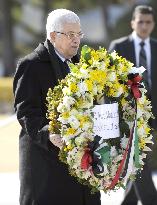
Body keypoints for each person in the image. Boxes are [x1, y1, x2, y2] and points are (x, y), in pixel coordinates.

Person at [13, 9, 101, 205]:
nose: (76, 40)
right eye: (70, 34)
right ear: (53, 36)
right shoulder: (31, 65)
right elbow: (26, 112)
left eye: (79, 34)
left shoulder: (84, 66)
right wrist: (48, 133)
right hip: (46, 164)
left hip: (81, 164)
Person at [109, 5, 157, 205]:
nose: (144, 26)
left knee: (137, 162)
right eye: (140, 22)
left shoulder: (156, 46)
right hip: (127, 116)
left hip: (151, 116)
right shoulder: (119, 46)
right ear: (132, 23)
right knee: (139, 160)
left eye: (148, 22)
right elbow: (109, 82)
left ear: (153, 24)